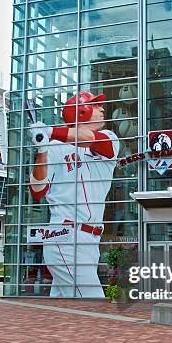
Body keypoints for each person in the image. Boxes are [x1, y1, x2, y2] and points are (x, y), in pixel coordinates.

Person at [28, 91, 119, 298]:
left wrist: (50, 131)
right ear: (82, 111)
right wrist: (42, 150)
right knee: (93, 303)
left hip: (91, 240)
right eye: (96, 106)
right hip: (66, 235)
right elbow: (37, 190)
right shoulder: (53, 148)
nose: (102, 109)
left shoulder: (110, 139)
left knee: (65, 312)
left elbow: (88, 139)